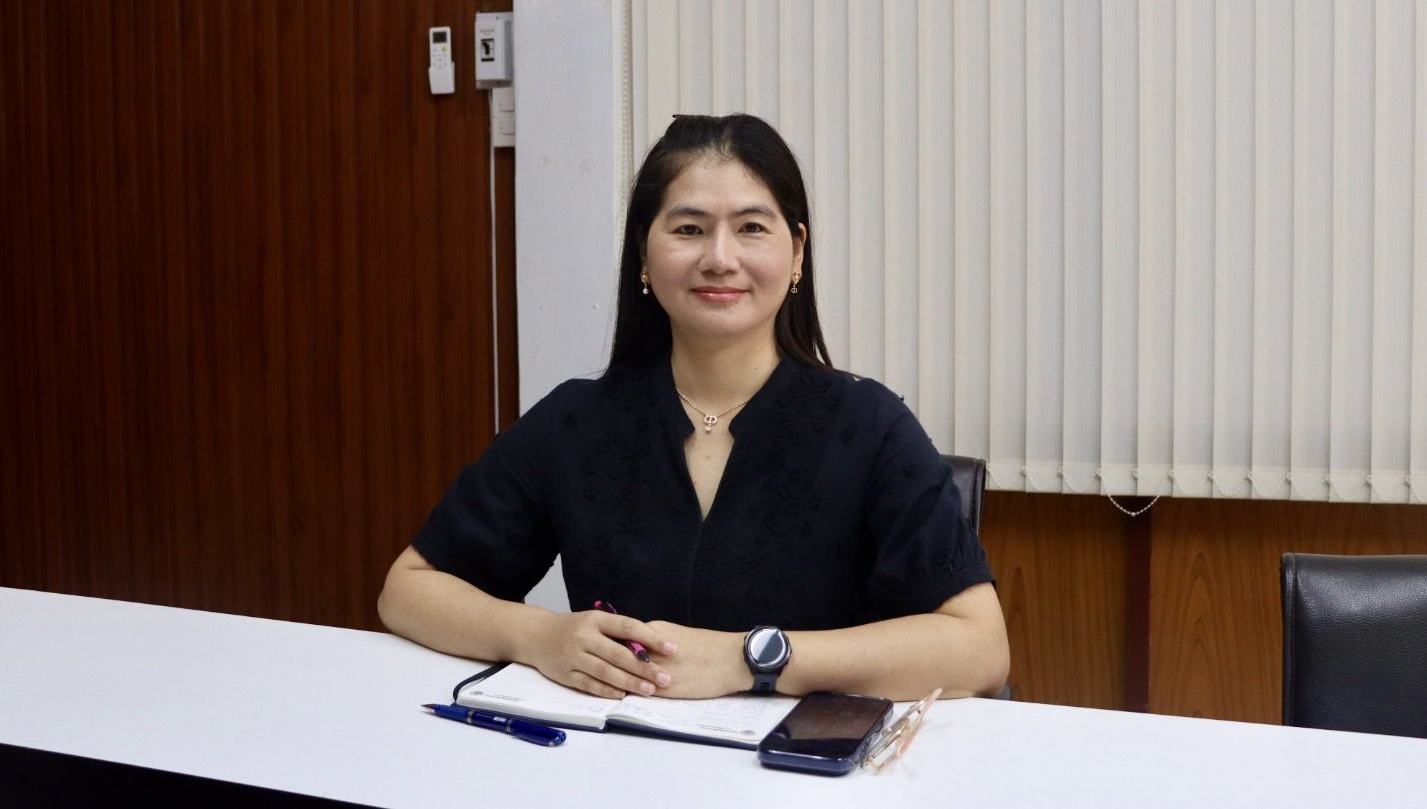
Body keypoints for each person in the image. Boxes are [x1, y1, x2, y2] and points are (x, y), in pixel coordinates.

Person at [379, 114, 1008, 702]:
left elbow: (980, 647)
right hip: (614, 756)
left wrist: (751, 659)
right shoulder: (577, 421)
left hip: (798, 764)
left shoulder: (868, 425)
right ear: (644, 254)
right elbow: (408, 590)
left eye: (751, 228)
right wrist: (539, 636)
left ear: (796, 253)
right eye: (689, 229)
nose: (719, 258)